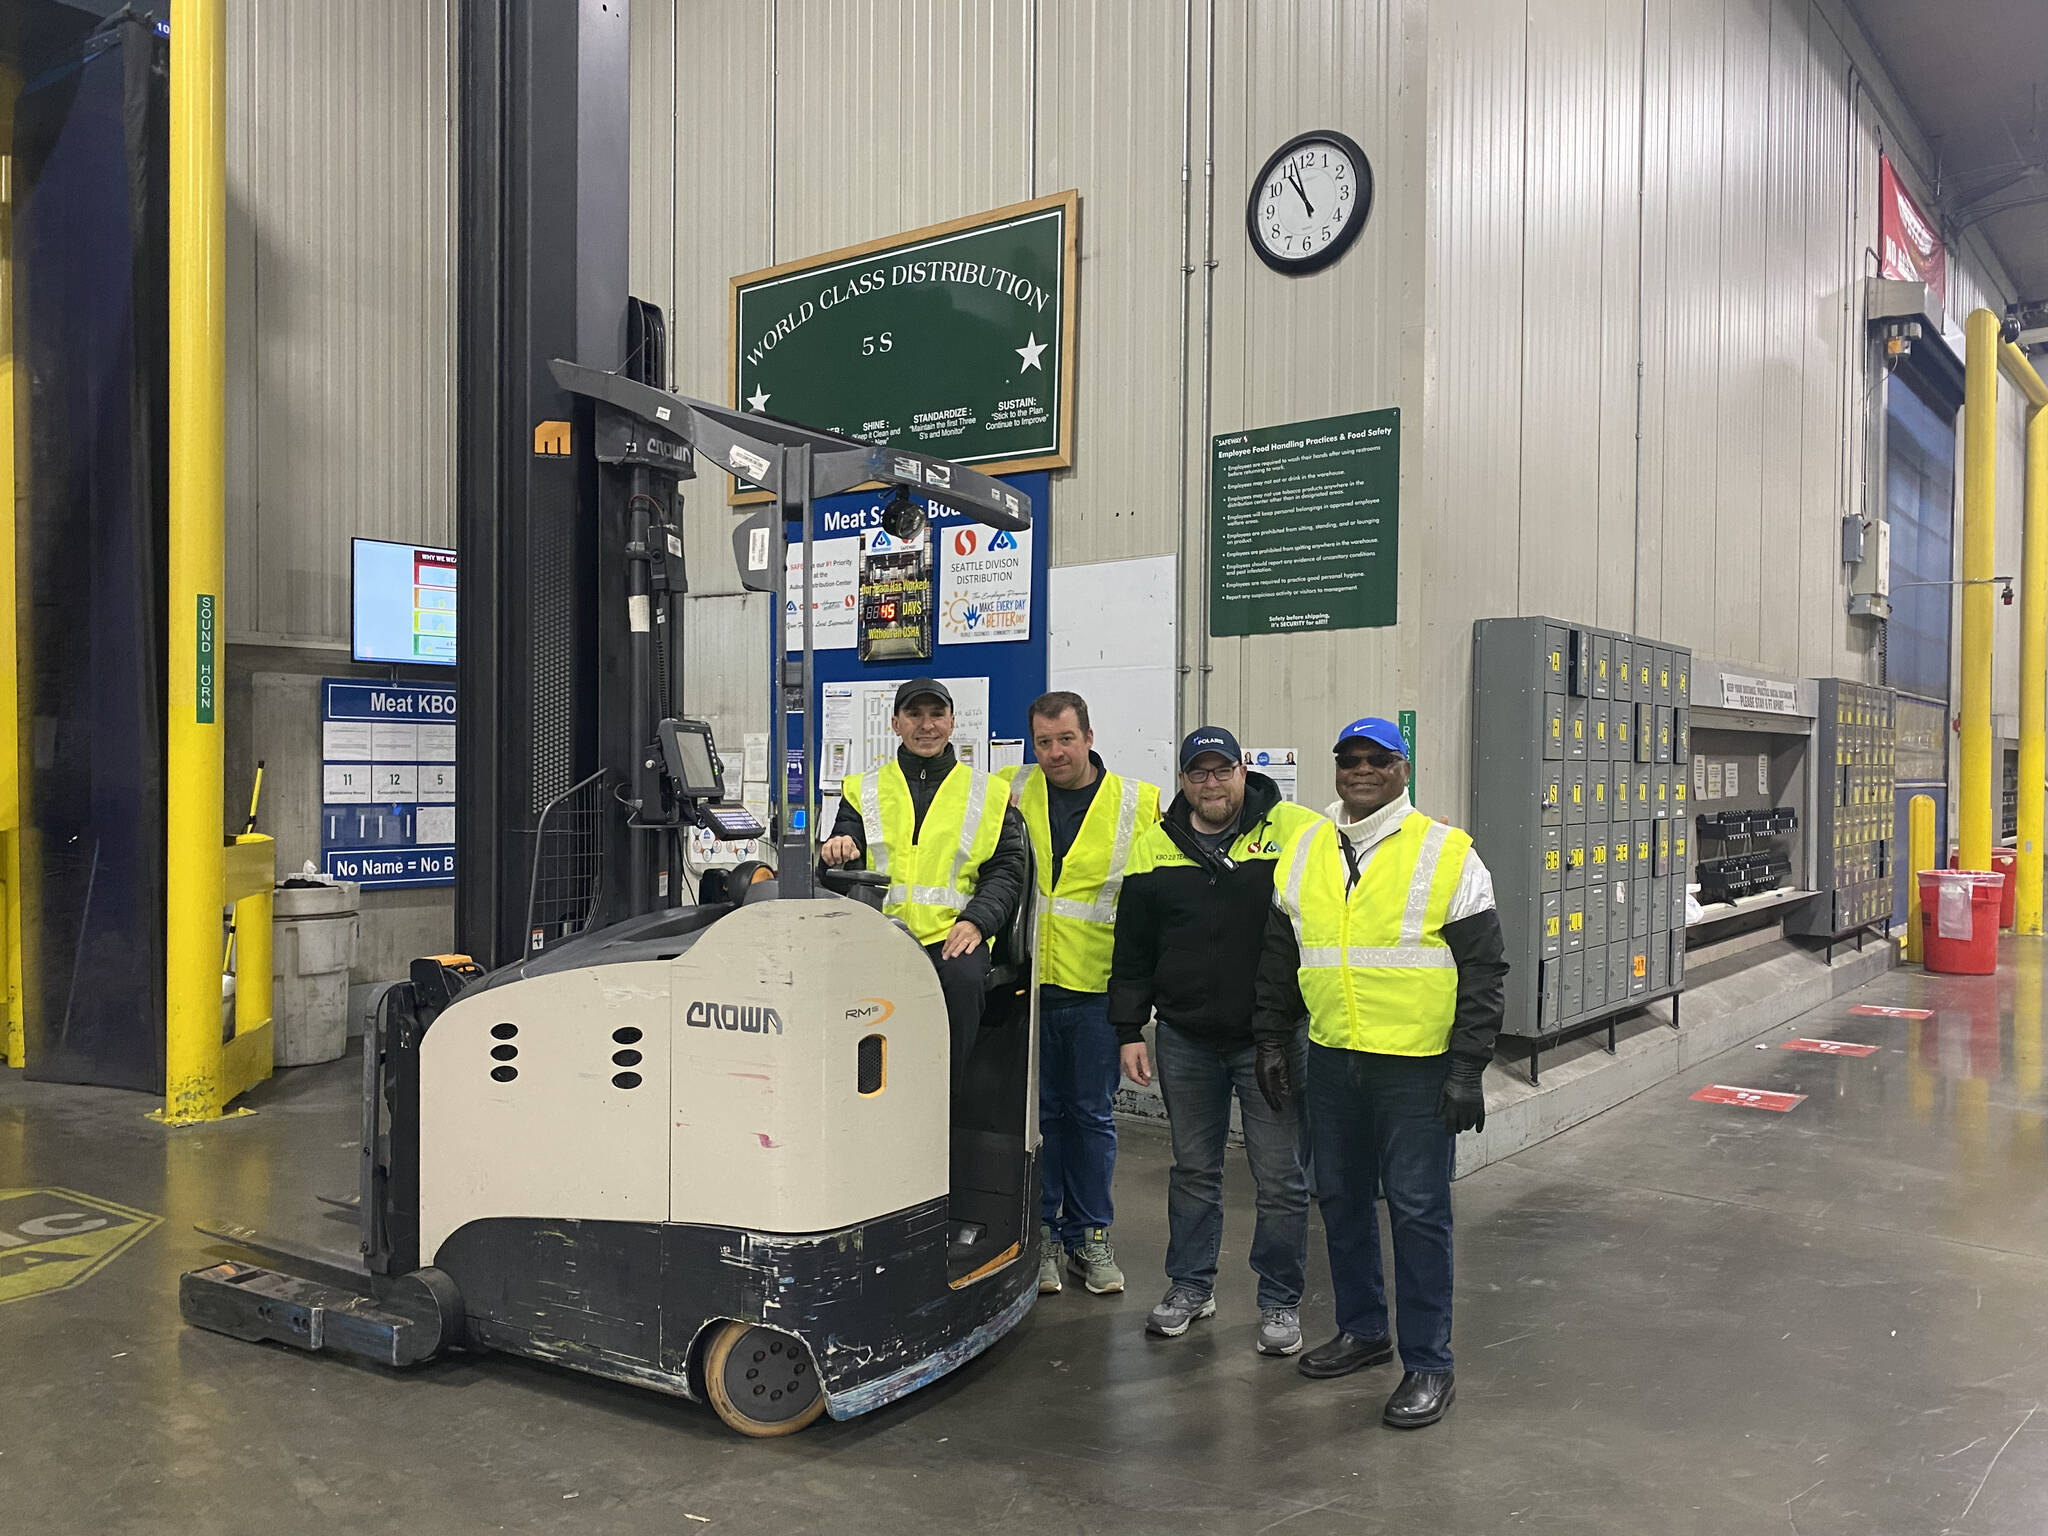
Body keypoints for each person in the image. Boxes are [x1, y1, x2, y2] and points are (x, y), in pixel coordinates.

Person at [1253, 716, 1507, 1430]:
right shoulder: (1304, 850)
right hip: (1333, 1057)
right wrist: (1270, 1039)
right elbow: (1280, 955)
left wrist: (1467, 1068)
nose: (1362, 770)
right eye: (1350, 759)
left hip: (1417, 1068)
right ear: (1336, 768)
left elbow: (1485, 970)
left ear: (1403, 769)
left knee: (1419, 1211)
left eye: (1378, 759)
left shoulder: (1448, 851)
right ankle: (1364, 1330)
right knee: (1339, 1199)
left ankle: (1429, 1363)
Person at [1109, 726, 1324, 1356]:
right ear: (1183, 780)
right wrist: (1129, 1029)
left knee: (1279, 1177)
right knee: (1194, 1171)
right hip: (1185, 1039)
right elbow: (1133, 948)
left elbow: (1355, 845)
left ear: (1242, 773)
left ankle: (1280, 1300)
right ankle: (1190, 1286)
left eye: (1222, 770)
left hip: (1271, 1039)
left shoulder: (1292, 830)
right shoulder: (1154, 846)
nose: (1211, 783)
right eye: (1198, 772)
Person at [1000, 692, 1161, 1298]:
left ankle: (1090, 1237)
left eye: (1065, 739)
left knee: (1092, 1117)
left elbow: (1155, 902)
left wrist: (1139, 1005)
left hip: (1097, 992)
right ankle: (1042, 1235)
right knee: (1039, 1120)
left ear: (1089, 737)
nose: (1054, 753)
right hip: (1029, 987)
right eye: (1043, 742)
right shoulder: (1010, 792)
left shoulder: (1139, 803)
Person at [821, 678, 1028, 1092]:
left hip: (951, 936)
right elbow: (842, 847)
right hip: (880, 935)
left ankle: (941, 1099)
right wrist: (837, 847)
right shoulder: (862, 789)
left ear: (952, 722)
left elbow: (1007, 869)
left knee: (964, 980)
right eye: (914, 714)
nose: (926, 725)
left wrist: (976, 922)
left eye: (936, 714)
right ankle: (865, 1096)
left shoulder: (989, 793)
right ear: (896, 723)